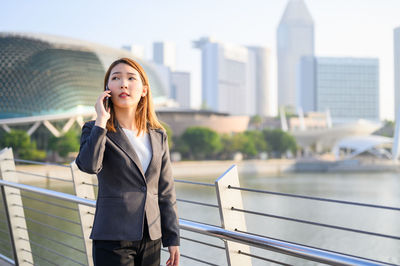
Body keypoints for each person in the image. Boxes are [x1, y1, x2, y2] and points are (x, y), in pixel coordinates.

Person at [75, 57, 180, 266]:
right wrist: (101, 121)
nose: (123, 83)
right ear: (107, 89)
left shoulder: (158, 135)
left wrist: (173, 238)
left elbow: (165, 190)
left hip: (152, 236)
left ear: (144, 90)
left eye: (131, 78)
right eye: (116, 78)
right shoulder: (95, 129)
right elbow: (88, 165)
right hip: (113, 237)